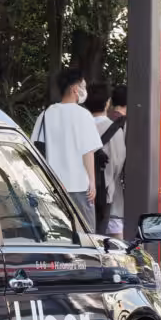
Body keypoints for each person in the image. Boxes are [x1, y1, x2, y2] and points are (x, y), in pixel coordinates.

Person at [31, 68, 103, 228]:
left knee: (57, 234)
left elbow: (36, 150)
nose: (85, 91)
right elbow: (88, 151)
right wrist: (91, 181)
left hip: (52, 187)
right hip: (79, 186)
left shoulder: (44, 115)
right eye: (83, 87)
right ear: (75, 89)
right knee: (87, 234)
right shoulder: (83, 115)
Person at [84, 83, 127, 238]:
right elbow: (119, 162)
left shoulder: (80, 126)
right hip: (107, 193)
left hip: (80, 192)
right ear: (108, 102)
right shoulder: (116, 130)